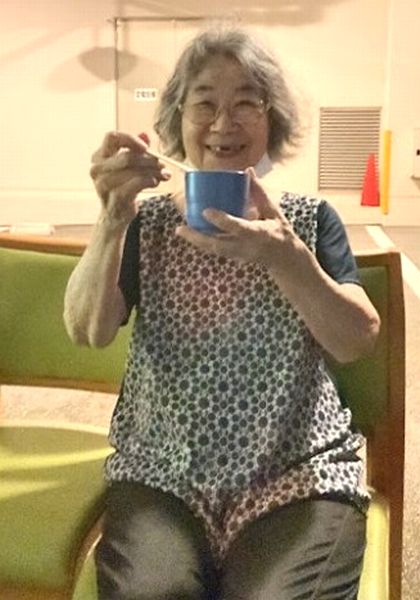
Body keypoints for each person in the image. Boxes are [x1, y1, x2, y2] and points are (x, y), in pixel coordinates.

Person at [64, 26, 380, 600]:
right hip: (162, 475)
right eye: (204, 103)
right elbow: (87, 330)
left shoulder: (308, 222)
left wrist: (286, 258)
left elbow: (358, 338)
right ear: (178, 121)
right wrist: (111, 219)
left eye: (246, 103)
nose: (222, 123)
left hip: (296, 476)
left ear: (271, 120)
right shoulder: (147, 224)